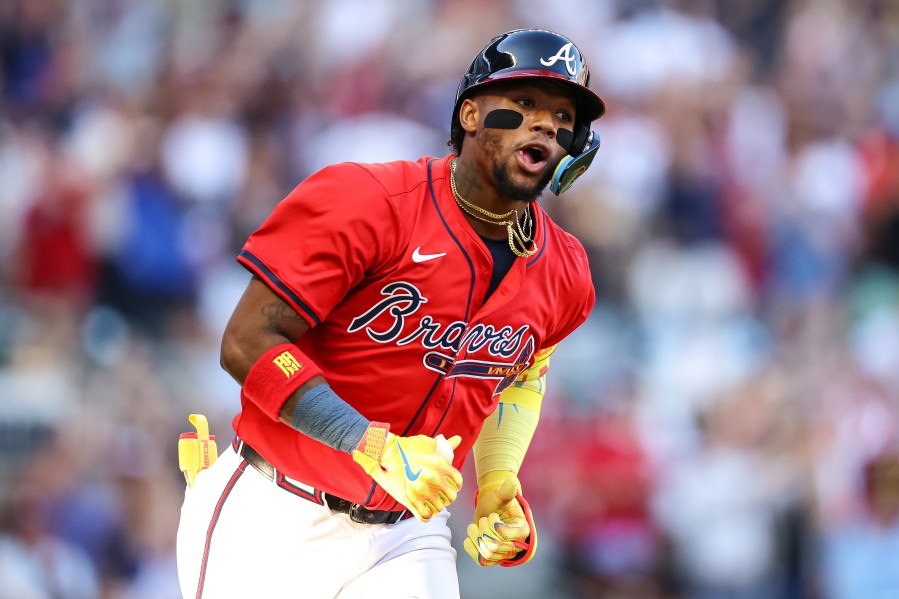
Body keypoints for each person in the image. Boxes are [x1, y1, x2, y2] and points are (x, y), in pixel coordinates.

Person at [176, 28, 606, 599]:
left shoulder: (565, 271)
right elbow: (246, 342)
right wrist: (370, 445)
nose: (548, 124)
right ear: (472, 114)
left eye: (562, 115)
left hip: (407, 535)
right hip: (274, 512)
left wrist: (499, 478)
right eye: (523, 103)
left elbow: (523, 374)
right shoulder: (367, 201)